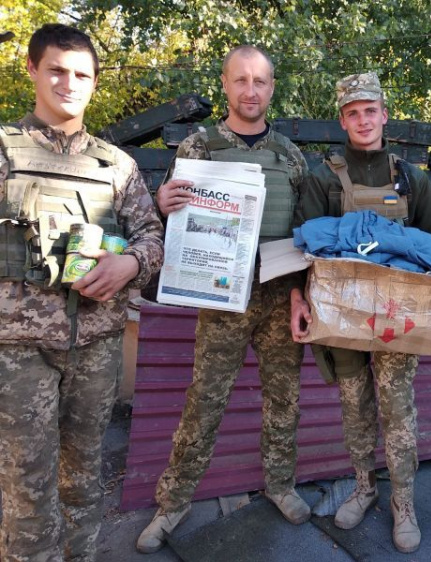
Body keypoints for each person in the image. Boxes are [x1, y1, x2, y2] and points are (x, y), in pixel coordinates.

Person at [0, 23, 164, 562]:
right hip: (16, 351)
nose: (69, 83)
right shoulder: (4, 151)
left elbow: (151, 238)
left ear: (95, 81)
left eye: (82, 74)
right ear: (32, 70)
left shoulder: (117, 166)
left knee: (84, 471)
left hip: (96, 344)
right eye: (57, 70)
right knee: (25, 483)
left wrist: (129, 264)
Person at [136, 45, 310, 553]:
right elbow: (163, 216)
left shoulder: (290, 156)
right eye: (241, 80)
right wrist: (161, 203)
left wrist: (300, 294)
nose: (250, 90)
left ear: (271, 88)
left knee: (285, 401)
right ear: (225, 84)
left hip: (278, 295)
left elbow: (302, 231)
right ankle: (173, 503)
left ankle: (280, 485)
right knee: (204, 402)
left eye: (260, 81)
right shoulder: (198, 148)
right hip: (221, 297)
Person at [290, 72, 431, 553]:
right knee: (354, 408)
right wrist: (300, 301)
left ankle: (404, 502)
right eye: (353, 112)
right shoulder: (323, 177)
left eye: (370, 110)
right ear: (343, 119)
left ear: (384, 114)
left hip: (394, 319)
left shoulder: (410, 177)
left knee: (398, 412)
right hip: (340, 318)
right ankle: (364, 486)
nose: (363, 120)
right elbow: (301, 248)